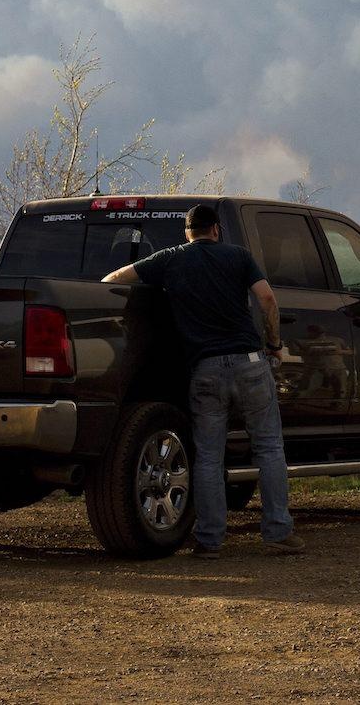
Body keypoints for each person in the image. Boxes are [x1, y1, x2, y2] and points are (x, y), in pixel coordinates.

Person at [103, 204, 301, 558]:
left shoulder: (170, 259)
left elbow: (113, 279)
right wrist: (274, 344)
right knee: (269, 448)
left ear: (187, 232)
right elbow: (267, 299)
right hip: (250, 364)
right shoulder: (238, 256)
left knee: (209, 456)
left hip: (205, 369)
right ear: (216, 230)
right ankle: (277, 532)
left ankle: (210, 540)